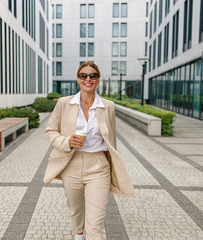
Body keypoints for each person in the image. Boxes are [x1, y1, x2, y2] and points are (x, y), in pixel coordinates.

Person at [44, 61, 135, 240]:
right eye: (83, 75)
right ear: (78, 79)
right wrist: (67, 141)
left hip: (98, 167)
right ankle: (78, 234)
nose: (88, 79)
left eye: (93, 75)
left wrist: (112, 166)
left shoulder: (108, 106)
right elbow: (50, 131)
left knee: (96, 224)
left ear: (98, 80)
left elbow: (111, 140)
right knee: (76, 210)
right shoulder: (64, 103)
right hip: (72, 165)